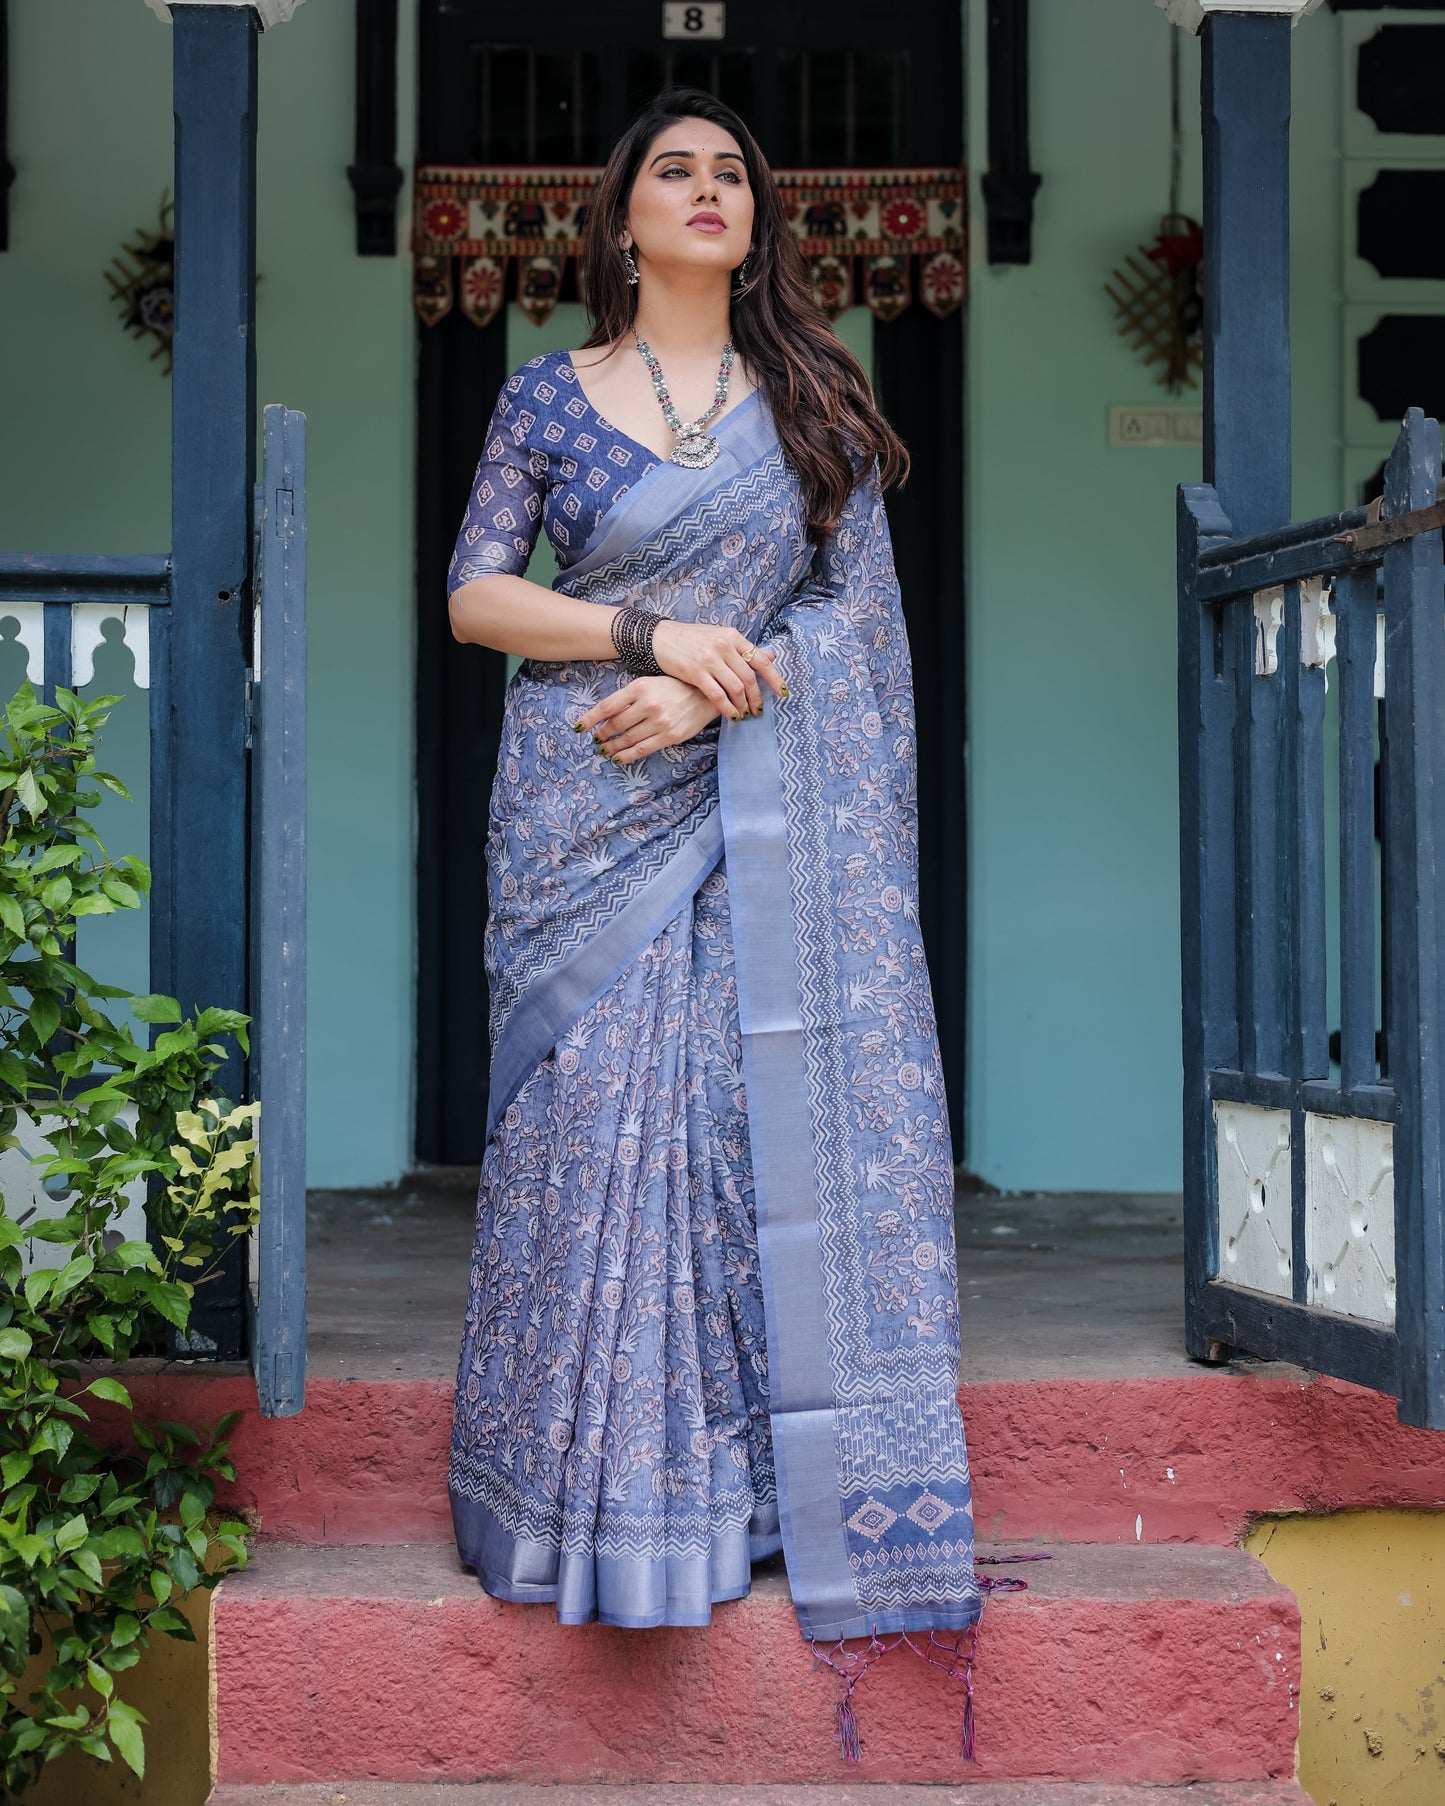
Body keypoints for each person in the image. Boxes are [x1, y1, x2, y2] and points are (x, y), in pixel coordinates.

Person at [444, 85, 981, 1703]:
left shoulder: (814, 400)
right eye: (670, 170)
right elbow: (475, 595)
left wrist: (721, 690)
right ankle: (577, 1506)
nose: (702, 189)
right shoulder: (548, 400)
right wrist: (646, 641)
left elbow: (860, 641)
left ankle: (732, 1499)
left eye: (728, 172)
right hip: (577, 815)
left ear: (757, 218)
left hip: (744, 812)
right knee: (598, 1128)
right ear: (619, 218)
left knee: (729, 1131)